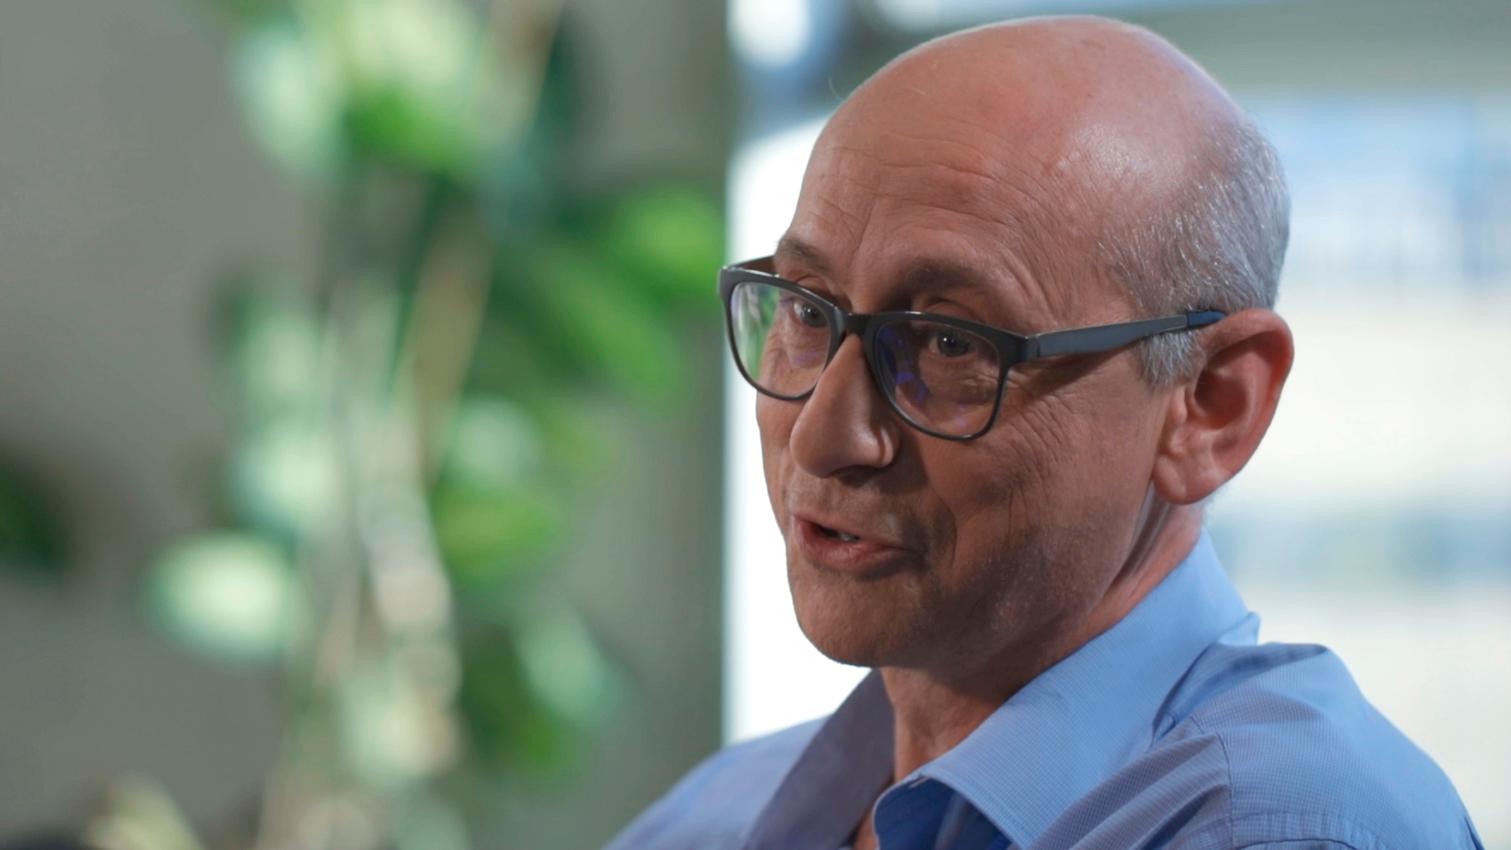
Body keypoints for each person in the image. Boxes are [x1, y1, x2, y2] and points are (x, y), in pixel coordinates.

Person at [606, 15, 1482, 850]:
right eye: (806, 309)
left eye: (949, 342)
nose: (821, 439)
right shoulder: (719, 811)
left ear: (1210, 406)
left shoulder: (1280, 829)